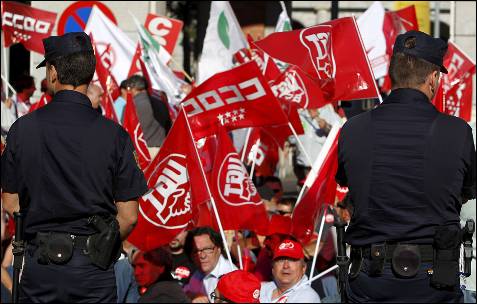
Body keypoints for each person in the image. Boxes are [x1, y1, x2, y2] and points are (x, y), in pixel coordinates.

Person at [1, 32, 149, 302]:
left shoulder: (23, 129)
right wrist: (99, 249)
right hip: (93, 267)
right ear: (89, 76)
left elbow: (11, 203)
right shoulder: (115, 135)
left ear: (53, 72)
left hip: (40, 266)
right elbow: (128, 216)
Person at [336, 30, 476, 302]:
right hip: (432, 283)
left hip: (370, 281)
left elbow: (349, 186)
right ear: (434, 78)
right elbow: (468, 189)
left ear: (393, 76)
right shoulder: (457, 132)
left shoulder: (354, 129)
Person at [183, 226, 237, 303]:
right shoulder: (199, 272)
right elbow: (186, 291)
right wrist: (193, 296)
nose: (202, 256)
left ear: (219, 249)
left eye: (207, 249)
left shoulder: (231, 277)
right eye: (196, 251)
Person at [126, 75, 167, 148]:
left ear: (133, 89)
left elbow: (126, 128)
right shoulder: (160, 102)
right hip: (162, 149)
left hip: (142, 151)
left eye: (128, 88)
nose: (127, 91)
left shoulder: (131, 107)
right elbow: (168, 124)